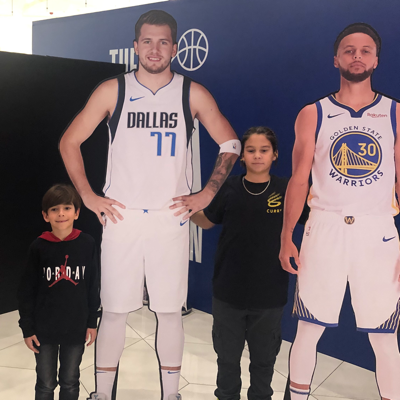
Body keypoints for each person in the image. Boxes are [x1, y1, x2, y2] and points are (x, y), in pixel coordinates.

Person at [59, 9, 239, 400]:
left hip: (168, 218)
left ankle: (170, 394)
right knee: (114, 310)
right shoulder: (113, 90)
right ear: (135, 46)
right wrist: (88, 196)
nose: (154, 49)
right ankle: (102, 394)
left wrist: (207, 193)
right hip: (122, 217)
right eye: (147, 41)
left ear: (174, 48)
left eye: (163, 42)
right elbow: (69, 141)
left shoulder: (192, 92)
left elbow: (231, 143)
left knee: (170, 311)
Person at [279, 23, 400, 400]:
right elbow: (299, 180)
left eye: (365, 51)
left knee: (385, 337)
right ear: (336, 60)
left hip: (377, 232)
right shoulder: (313, 113)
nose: (357, 56)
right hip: (324, 228)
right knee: (308, 329)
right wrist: (286, 236)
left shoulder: (395, 113)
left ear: (376, 60)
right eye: (349, 50)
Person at [192, 127, 306, 400]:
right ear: (242, 156)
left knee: (264, 361)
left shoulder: (287, 190)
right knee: (227, 360)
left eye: (264, 150)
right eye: (251, 151)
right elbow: (206, 221)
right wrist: (184, 208)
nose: (257, 156)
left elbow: (315, 218)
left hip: (269, 294)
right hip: (228, 292)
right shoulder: (230, 187)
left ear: (275, 154)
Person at [18, 184, 100, 400]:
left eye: (67, 208)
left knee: (70, 381)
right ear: (45, 216)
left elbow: (93, 285)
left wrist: (92, 321)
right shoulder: (38, 247)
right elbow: (26, 290)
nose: (61, 213)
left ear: (77, 212)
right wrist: (27, 328)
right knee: (45, 383)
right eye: (54, 209)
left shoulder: (87, 243)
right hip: (44, 329)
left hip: (76, 326)